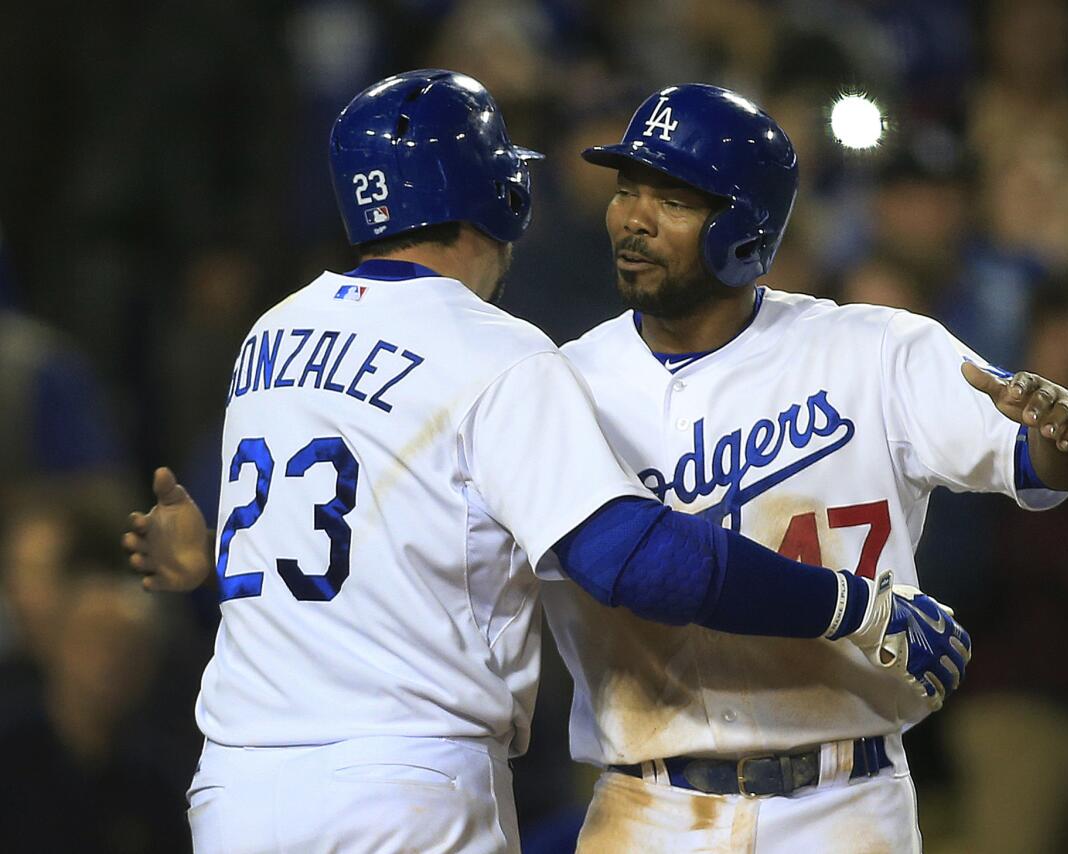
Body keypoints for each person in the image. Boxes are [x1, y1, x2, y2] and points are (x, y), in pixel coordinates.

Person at [122, 70, 969, 854]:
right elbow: (634, 561)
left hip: (237, 786)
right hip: (401, 784)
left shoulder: (271, 334)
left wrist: (209, 563)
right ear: (499, 193)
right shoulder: (494, 351)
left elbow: (347, 541)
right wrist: (850, 603)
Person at [535, 84, 1068, 852]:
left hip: (843, 802)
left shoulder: (874, 352)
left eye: (671, 200)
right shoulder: (562, 381)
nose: (633, 218)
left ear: (744, 228)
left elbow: (1046, 457)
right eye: (627, 190)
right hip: (646, 805)